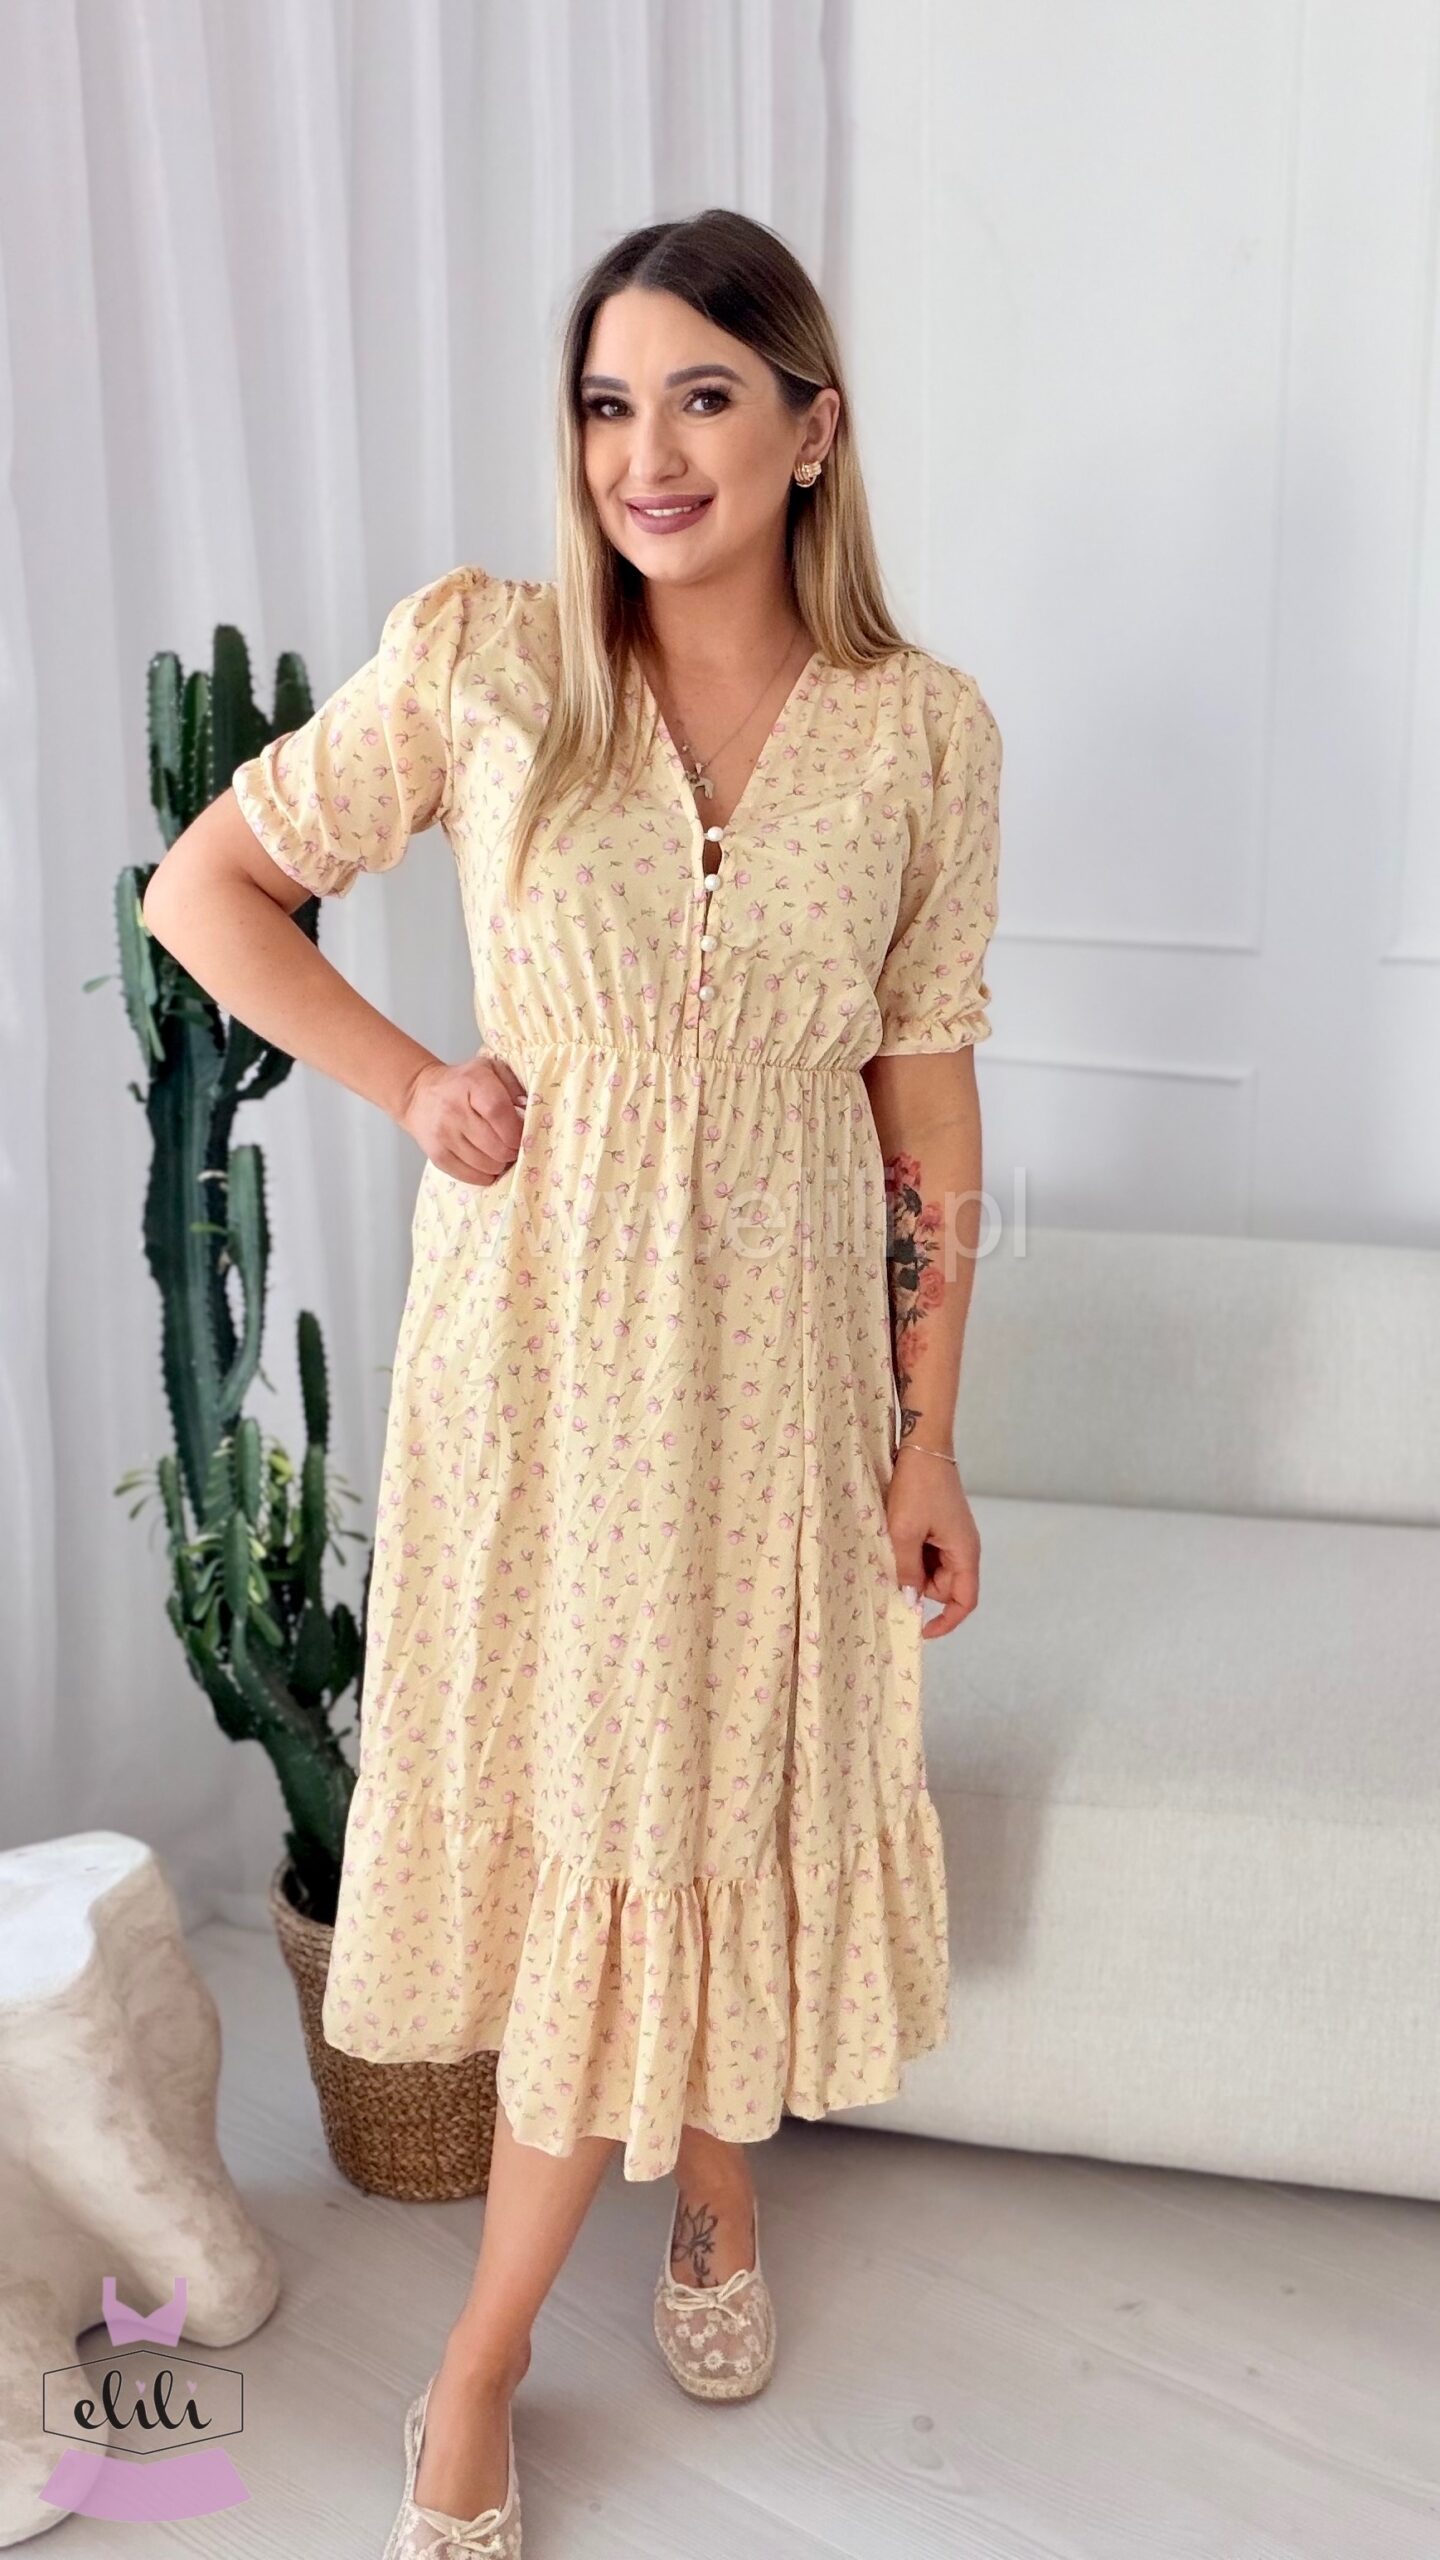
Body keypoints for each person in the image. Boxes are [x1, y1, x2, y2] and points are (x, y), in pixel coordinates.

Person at [143, 205, 1002, 2558]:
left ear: (813, 429)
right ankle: (487, 2350)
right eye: (609, 403)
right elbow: (205, 890)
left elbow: (927, 1112)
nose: (648, 451)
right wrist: (416, 1081)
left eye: (705, 394)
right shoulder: (492, 660)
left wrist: (930, 1427)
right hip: (539, 1352)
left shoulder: (923, 732)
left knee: (714, 1764)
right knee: (592, 1793)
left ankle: (709, 2167)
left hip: (786, 1358)